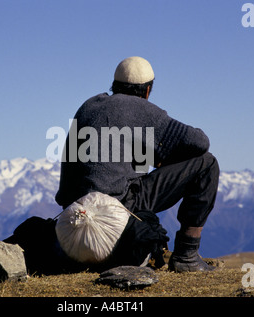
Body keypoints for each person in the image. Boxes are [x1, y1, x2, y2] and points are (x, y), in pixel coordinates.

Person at [55, 56, 220, 272]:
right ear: (147, 91)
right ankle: (187, 256)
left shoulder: (89, 106)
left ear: (114, 85)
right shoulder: (138, 107)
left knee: (140, 156)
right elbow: (200, 142)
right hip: (114, 211)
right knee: (207, 164)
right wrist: (169, 157)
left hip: (73, 218)